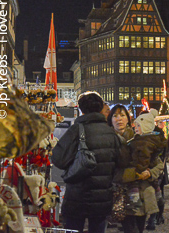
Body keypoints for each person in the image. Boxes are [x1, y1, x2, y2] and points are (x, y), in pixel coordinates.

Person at [51, 92, 124, 233]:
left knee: (73, 228)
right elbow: (120, 162)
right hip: (102, 196)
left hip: (77, 194)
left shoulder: (76, 130)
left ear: (81, 109)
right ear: (100, 108)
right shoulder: (111, 134)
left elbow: (58, 159)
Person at [128, 109, 166, 231]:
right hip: (129, 184)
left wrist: (147, 172)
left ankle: (153, 218)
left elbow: (156, 164)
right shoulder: (138, 140)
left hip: (141, 183)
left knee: (139, 220)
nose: (136, 128)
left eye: (138, 125)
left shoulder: (142, 141)